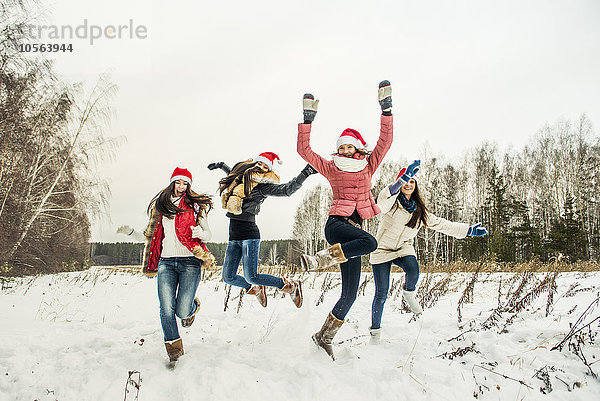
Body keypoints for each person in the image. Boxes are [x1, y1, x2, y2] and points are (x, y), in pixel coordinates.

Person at [296, 80, 394, 359]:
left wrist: (386, 109)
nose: (347, 151)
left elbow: (385, 142)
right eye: (343, 147)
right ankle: (320, 259)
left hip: (353, 236)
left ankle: (323, 336)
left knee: (350, 294)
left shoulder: (368, 165)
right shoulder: (331, 167)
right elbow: (305, 151)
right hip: (337, 226)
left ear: (358, 148)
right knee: (371, 242)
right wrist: (307, 120)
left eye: (351, 147)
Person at [368, 163, 488, 339]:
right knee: (381, 293)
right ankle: (375, 333)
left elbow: (441, 224)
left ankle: (409, 294)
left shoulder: (419, 210)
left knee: (413, 268)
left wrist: (468, 230)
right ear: (400, 183)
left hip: (403, 247)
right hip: (382, 249)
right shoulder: (391, 203)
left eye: (412, 182)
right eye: (405, 181)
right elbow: (382, 201)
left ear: (416, 187)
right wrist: (400, 180)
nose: (408, 185)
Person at [207, 152, 316, 309]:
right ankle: (256, 288)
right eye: (260, 164)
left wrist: (305, 173)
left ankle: (291, 286)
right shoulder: (240, 180)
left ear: (267, 171)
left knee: (252, 276)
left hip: (249, 236)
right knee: (228, 277)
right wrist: (221, 165)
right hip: (234, 238)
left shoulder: (262, 188)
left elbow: (287, 190)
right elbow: (233, 173)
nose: (261, 167)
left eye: (266, 167)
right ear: (254, 164)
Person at [141, 167, 215, 367]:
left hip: (190, 261)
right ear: (172, 183)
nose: (182, 187)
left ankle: (193, 307)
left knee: (182, 311)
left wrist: (200, 232)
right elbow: (154, 235)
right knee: (166, 309)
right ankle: (174, 352)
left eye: (185, 184)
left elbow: (208, 235)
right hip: (166, 262)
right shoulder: (162, 206)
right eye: (178, 183)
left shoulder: (195, 206)